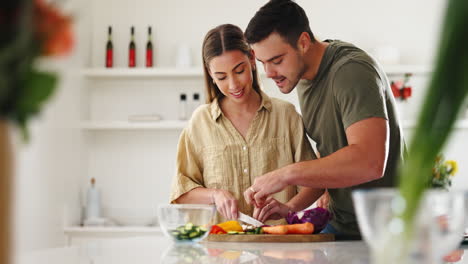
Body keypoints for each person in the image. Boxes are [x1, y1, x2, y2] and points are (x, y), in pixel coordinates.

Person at [243, 0, 406, 236]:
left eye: (276, 61)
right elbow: (330, 154)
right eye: (262, 63)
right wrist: (291, 207)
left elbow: (370, 162)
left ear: (303, 42)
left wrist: (286, 174)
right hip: (342, 224)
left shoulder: (352, 72)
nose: (269, 74)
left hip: (385, 230)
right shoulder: (302, 75)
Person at [170, 24, 324, 224]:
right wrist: (215, 195)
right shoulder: (200, 122)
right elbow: (181, 193)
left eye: (239, 70)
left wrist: (289, 208)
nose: (234, 85)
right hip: (221, 250)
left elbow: (315, 181)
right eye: (222, 77)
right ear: (210, 74)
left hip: (277, 249)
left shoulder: (285, 115)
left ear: (252, 59)